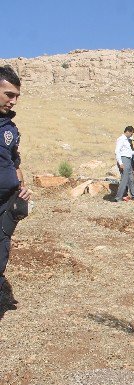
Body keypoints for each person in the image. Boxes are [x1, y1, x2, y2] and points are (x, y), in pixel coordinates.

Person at [0, 66, 31, 303]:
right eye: (9, 94)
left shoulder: (10, 128)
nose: (14, 101)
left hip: (6, 204)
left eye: (17, 96)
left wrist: (22, 187)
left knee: (1, 253)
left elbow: (14, 161)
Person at [114, 126, 134, 202]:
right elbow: (117, 151)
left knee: (131, 179)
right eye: (131, 133)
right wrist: (120, 162)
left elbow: (128, 152)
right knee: (124, 179)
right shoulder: (121, 139)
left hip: (128, 160)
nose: (131, 135)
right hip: (124, 160)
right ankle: (118, 197)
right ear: (128, 131)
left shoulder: (127, 140)